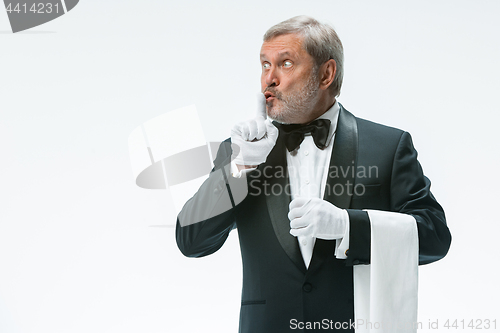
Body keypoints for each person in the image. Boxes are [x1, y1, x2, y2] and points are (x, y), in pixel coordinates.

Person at [175, 15, 451, 333]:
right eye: (265, 65)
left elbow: (434, 237)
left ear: (326, 74)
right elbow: (190, 240)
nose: (269, 80)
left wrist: (349, 226)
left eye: (286, 63)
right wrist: (239, 168)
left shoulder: (388, 146)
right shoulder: (241, 150)